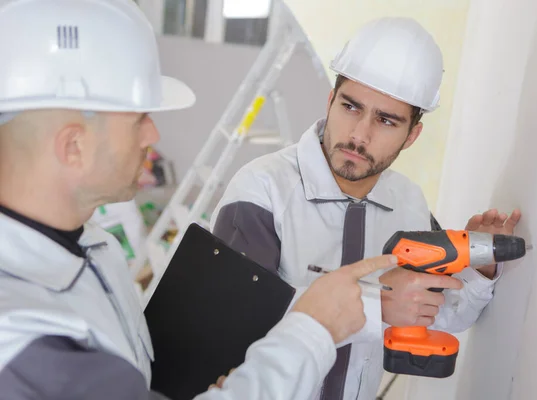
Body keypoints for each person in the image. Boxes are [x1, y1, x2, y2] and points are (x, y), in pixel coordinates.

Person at [0, 0, 401, 399]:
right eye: (140, 118)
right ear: (73, 146)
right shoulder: (22, 341)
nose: (153, 136)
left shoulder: (88, 247)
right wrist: (313, 330)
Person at [210, 17, 522, 400]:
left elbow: (436, 314)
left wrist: (478, 270)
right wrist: (381, 304)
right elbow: (235, 316)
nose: (359, 134)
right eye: (351, 107)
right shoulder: (263, 189)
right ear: (331, 100)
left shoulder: (408, 202)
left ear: (411, 136)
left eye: (386, 120)